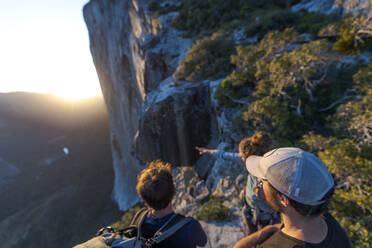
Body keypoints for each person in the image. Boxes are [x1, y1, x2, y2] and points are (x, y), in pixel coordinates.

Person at [234, 147, 351, 248]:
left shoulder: (274, 245)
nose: (258, 187)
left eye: (262, 182)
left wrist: (263, 232)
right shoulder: (331, 225)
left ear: (283, 199)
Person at [196, 132, 280, 235]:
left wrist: (260, 198)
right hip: (250, 209)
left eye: (242, 156)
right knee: (251, 235)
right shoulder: (248, 160)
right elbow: (224, 155)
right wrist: (207, 151)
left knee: (265, 239)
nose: (241, 158)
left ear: (250, 158)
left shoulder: (268, 172)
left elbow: (271, 201)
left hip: (265, 216)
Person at [135, 160, 207, 248]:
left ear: (144, 198)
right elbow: (203, 242)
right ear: (173, 191)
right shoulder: (190, 226)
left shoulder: (139, 218)